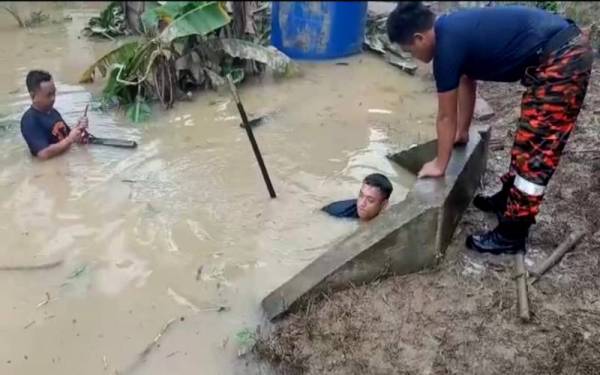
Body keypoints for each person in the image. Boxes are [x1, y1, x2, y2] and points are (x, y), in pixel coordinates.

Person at [387, 3, 592, 254]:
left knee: (538, 152)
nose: (413, 58)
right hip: (557, 54)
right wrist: (462, 133)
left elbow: (445, 117)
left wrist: (440, 164)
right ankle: (508, 200)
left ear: (419, 38)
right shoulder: (451, 29)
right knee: (527, 138)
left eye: (410, 51)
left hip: (563, 60)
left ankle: (512, 234)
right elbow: (466, 81)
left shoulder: (446, 48)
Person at [21, 70, 89, 160]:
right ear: (33, 96)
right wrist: (70, 139)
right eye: (48, 95)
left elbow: (68, 137)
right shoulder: (30, 120)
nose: (53, 98)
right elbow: (43, 154)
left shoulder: (52, 111)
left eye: (54, 93)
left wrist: (79, 129)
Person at [322, 173, 393, 221]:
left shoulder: (388, 212)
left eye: (370, 200)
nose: (362, 203)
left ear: (384, 204)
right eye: (361, 195)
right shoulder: (337, 213)